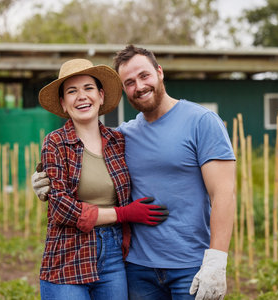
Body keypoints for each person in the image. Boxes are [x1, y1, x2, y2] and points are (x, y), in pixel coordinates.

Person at [33, 45, 236, 300]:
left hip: (188, 264)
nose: (139, 86)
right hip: (137, 267)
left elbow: (224, 194)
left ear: (159, 72)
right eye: (129, 82)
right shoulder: (123, 135)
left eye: (144, 76)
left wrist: (217, 260)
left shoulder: (199, 122)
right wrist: (45, 181)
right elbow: (70, 188)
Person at [36, 58, 169, 300]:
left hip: (113, 256)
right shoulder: (55, 143)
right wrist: (124, 214)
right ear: (63, 104)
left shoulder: (118, 141)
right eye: (71, 92)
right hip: (68, 255)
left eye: (88, 88)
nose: (81, 97)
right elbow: (61, 209)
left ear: (100, 95)